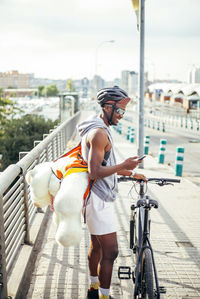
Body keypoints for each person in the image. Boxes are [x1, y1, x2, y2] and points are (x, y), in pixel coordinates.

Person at [77, 86, 146, 299]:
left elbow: (104, 165)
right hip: (98, 199)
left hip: (93, 197)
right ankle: (104, 296)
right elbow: (95, 171)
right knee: (111, 252)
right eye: (120, 111)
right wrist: (124, 164)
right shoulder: (99, 133)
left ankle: (93, 289)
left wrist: (129, 172)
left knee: (97, 246)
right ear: (108, 107)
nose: (121, 116)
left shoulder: (98, 127)